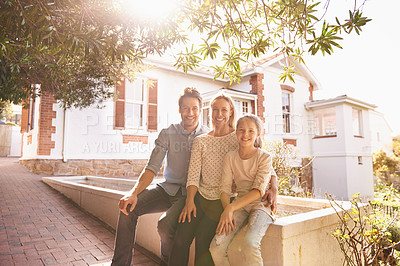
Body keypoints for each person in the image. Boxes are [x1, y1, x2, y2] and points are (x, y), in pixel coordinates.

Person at [168, 95, 278, 266]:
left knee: (204, 243)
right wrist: (190, 200)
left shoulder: (240, 135)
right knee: (181, 238)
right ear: (210, 112)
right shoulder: (201, 140)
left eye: (224, 110)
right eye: (215, 109)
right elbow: (193, 174)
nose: (219, 114)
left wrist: (274, 189)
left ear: (231, 112)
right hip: (201, 196)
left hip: (223, 199)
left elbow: (264, 165)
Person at [111, 87, 208, 266]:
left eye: (194, 108)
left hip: (190, 195)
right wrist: (133, 193)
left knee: (165, 226)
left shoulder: (208, 136)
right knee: (127, 208)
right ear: (179, 110)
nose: (190, 113)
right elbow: (152, 168)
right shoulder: (167, 133)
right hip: (167, 189)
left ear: (200, 110)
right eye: (186, 108)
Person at [209, 114, 275, 265]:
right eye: (242, 130)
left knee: (249, 243)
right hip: (239, 205)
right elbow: (224, 188)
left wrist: (230, 207)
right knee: (216, 247)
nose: (245, 135)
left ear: (258, 134)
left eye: (251, 131)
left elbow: (259, 190)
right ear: (236, 132)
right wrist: (228, 209)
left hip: (261, 205)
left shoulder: (264, 157)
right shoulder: (230, 157)